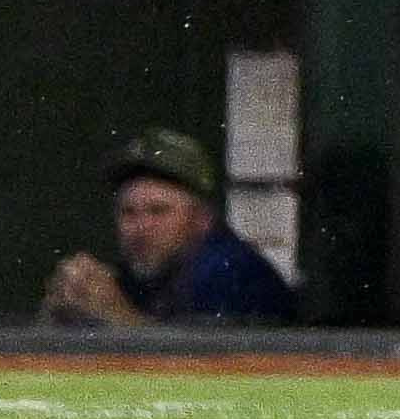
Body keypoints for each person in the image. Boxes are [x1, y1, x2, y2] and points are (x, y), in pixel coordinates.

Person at [38, 128, 297, 330]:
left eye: (158, 211)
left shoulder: (231, 272)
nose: (141, 227)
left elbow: (208, 377)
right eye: (128, 212)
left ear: (202, 218)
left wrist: (115, 315)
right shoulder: (144, 270)